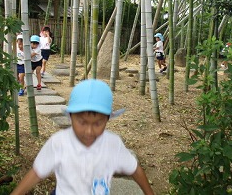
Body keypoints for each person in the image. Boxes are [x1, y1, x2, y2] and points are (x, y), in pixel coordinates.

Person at [11, 79, 155, 195]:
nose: (89, 131)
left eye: (98, 123)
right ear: (70, 117)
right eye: (82, 122)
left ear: (107, 120)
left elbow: (134, 169)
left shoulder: (113, 143)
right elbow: (37, 173)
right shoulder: (59, 143)